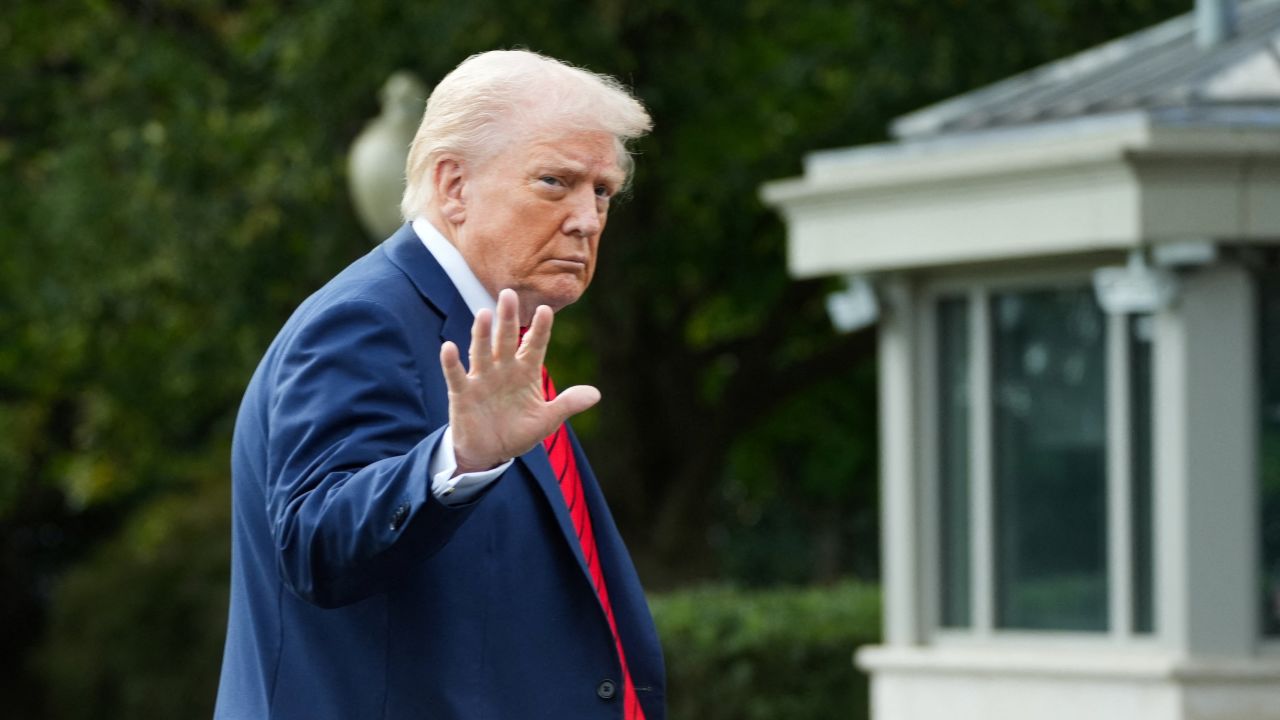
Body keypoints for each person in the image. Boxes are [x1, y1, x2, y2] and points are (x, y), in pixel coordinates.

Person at [214, 50, 664, 720]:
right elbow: (315, 545)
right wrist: (456, 462)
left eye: (600, 191)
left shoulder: (491, 339)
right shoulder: (365, 319)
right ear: (454, 186)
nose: (587, 219)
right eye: (555, 182)